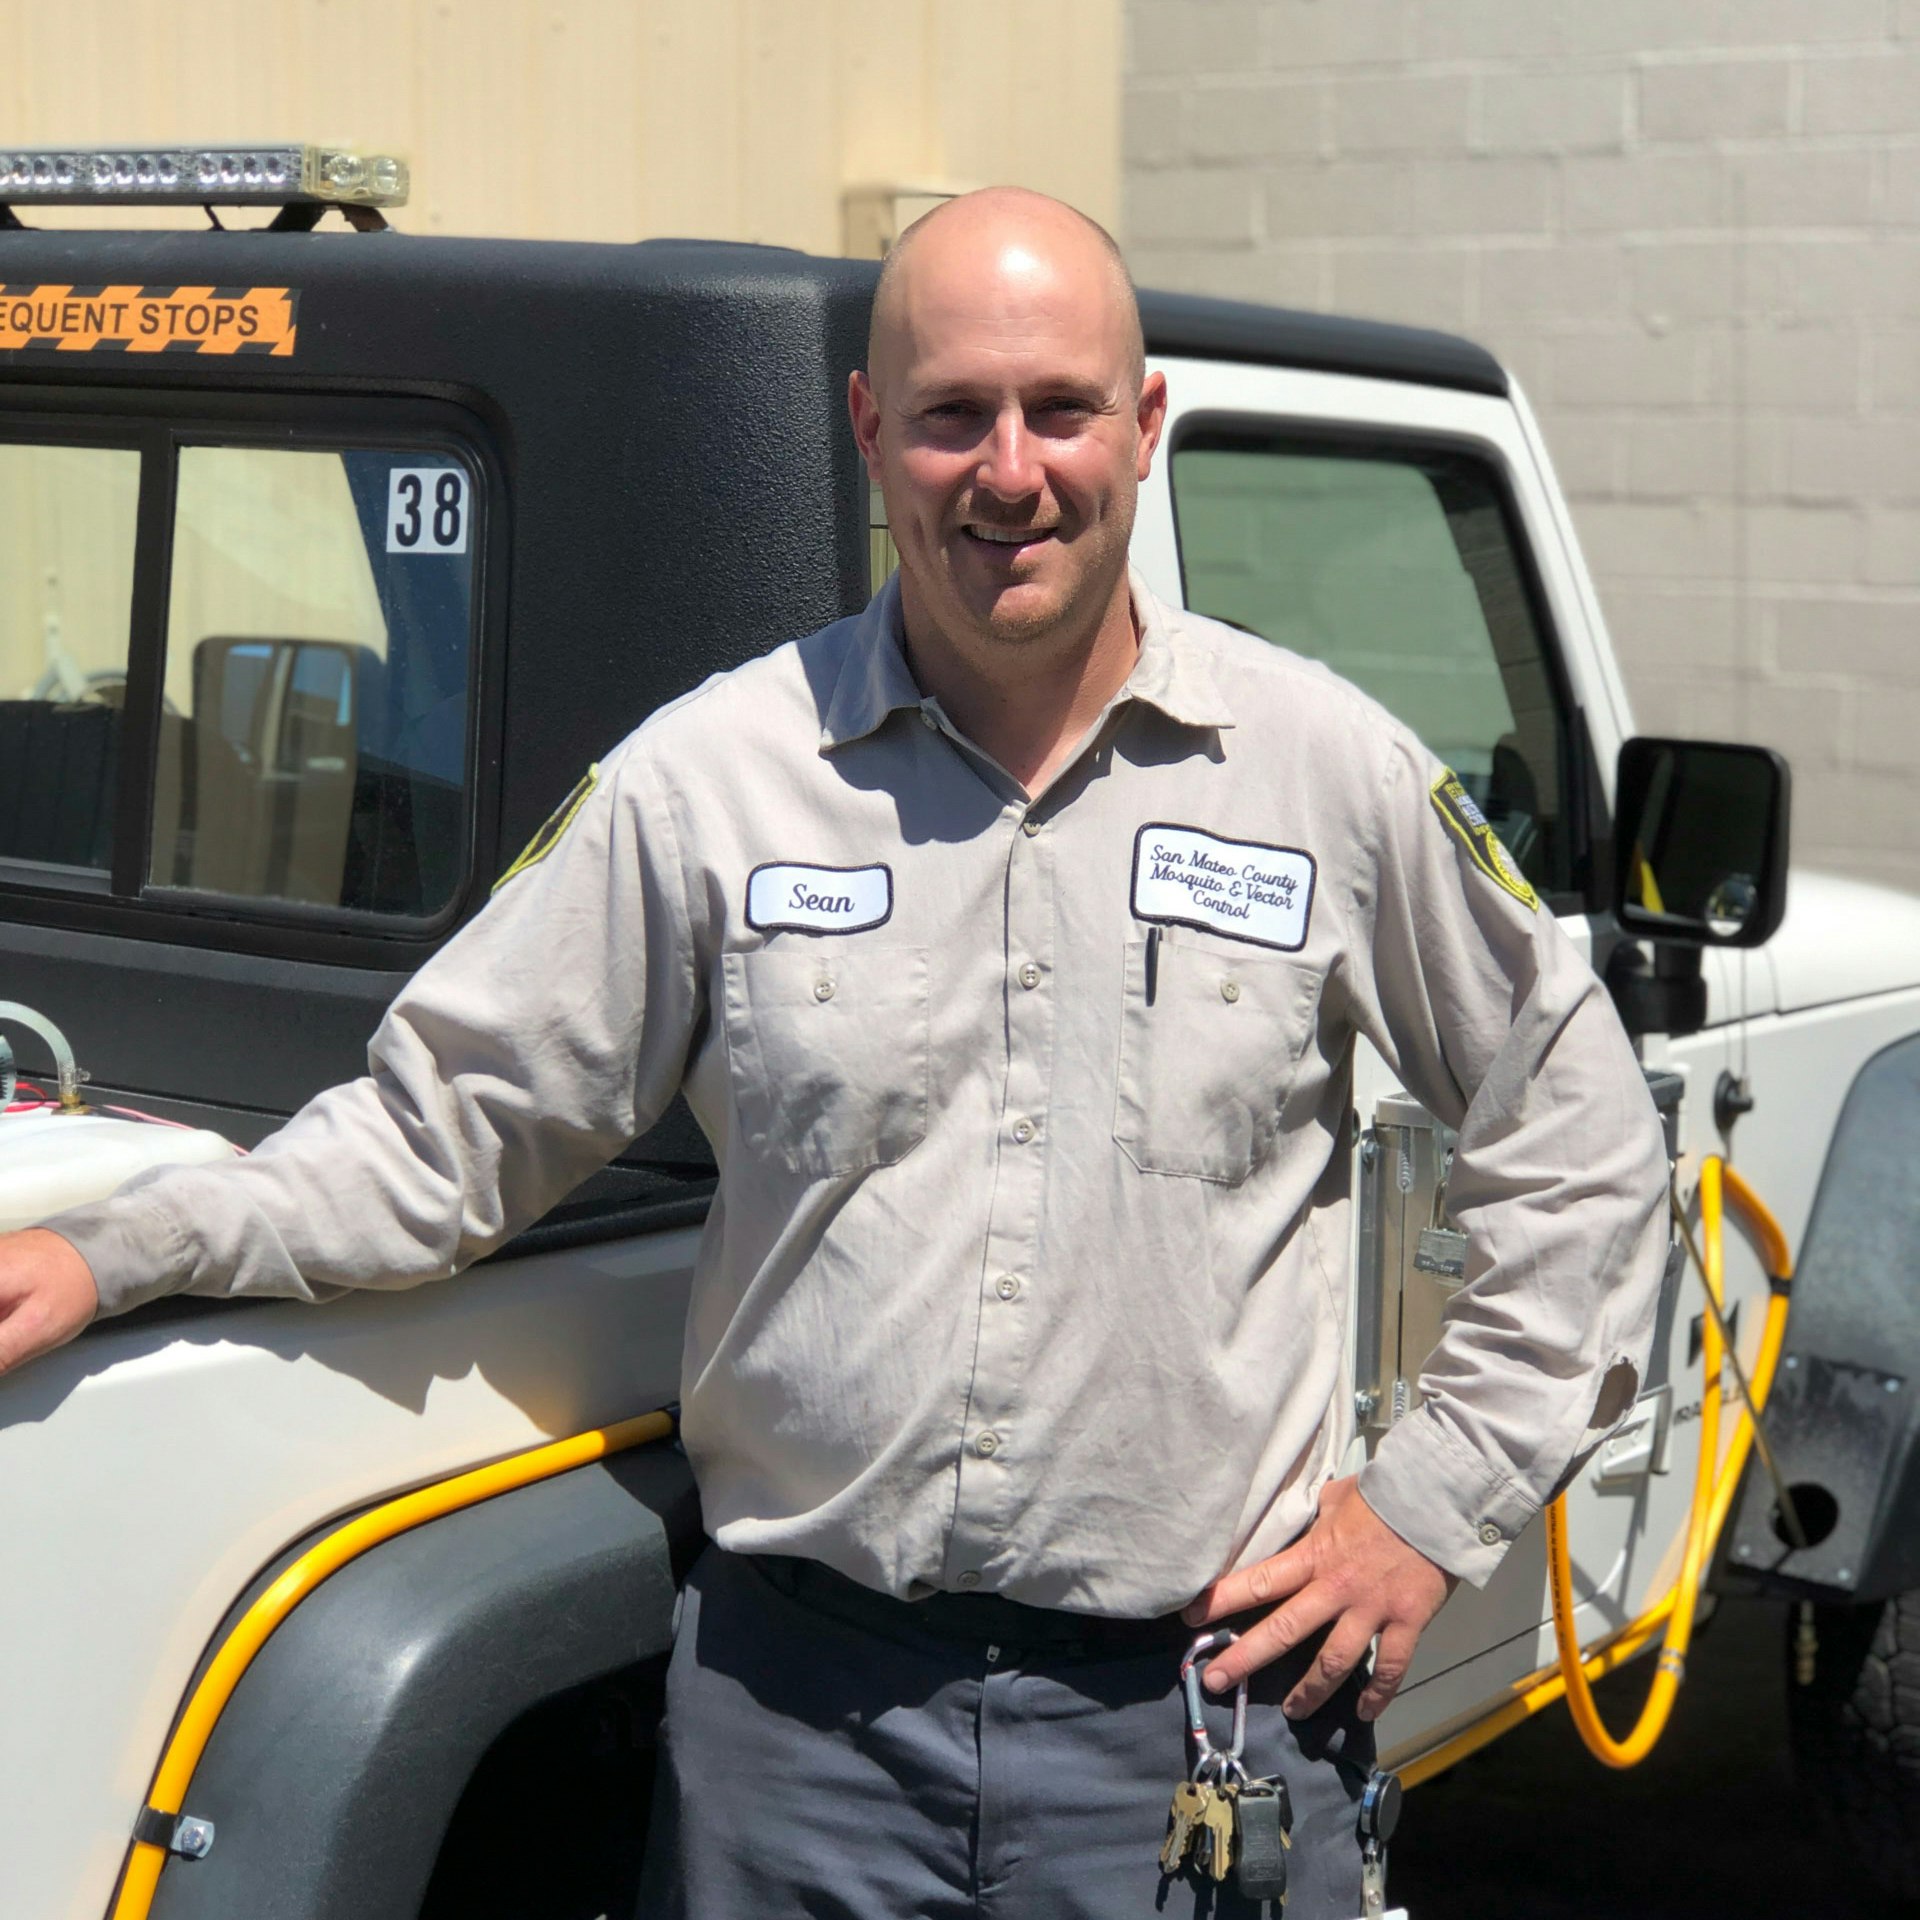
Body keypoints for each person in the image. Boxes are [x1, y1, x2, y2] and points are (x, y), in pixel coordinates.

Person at [0, 188, 1668, 1917]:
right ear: (872, 434)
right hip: (796, 1744)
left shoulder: (1331, 774)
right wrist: (111, 1249)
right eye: (952, 414)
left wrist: (1427, 1508)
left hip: (1195, 1729)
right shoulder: (710, 782)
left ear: (1144, 426)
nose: (1009, 470)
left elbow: (1588, 1144)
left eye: (1060, 410)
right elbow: (445, 1137)